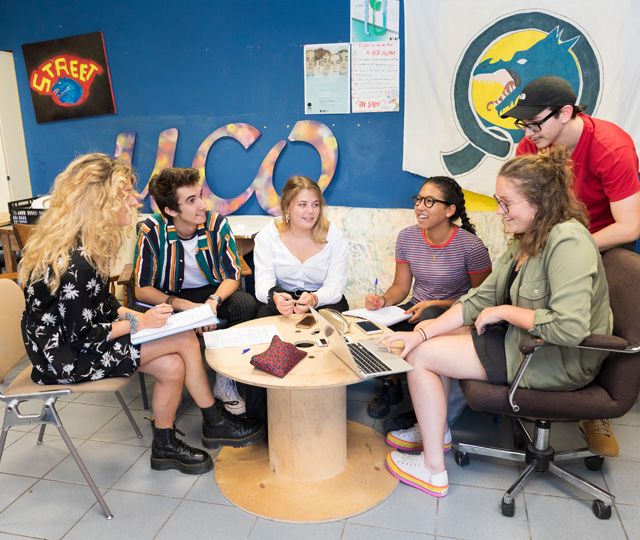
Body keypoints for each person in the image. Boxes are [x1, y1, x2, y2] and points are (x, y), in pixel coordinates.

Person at [380, 147, 612, 498]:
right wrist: (421, 332)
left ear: (540, 200)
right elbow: (481, 297)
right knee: (423, 345)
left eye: (506, 203)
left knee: (421, 358)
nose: (500, 213)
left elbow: (569, 328)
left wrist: (506, 313)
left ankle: (432, 469)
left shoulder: (569, 240)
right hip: (523, 342)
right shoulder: (528, 237)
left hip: (553, 358)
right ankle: (435, 432)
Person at [19, 153, 265, 477]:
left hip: (74, 344)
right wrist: (139, 321)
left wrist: (129, 313)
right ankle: (213, 420)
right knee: (183, 338)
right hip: (63, 359)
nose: (135, 201)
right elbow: (81, 336)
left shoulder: (83, 246)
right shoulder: (75, 261)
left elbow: (101, 302)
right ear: (101, 203)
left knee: (173, 363)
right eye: (125, 196)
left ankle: (166, 445)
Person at [501, 75, 640, 457]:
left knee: (589, 320)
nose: (527, 133)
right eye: (523, 124)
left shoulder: (611, 147)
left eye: (534, 123)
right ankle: (531, 377)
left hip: (600, 240)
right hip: (551, 237)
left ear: (565, 113)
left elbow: (629, 225)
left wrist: (567, 251)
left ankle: (594, 409)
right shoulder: (533, 142)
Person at [364, 176, 492, 422]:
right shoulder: (407, 237)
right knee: (371, 329)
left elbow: (481, 300)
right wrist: (382, 301)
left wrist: (437, 304)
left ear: (449, 210)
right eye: (419, 199)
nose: (420, 206)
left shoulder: (471, 247)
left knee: (430, 320)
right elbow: (400, 288)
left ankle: (422, 412)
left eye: (430, 201)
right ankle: (391, 386)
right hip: (416, 308)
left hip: (453, 314)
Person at [133, 167, 257, 416]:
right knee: (154, 318)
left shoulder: (216, 224)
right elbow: (141, 289)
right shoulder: (151, 231)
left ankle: (225, 381)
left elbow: (232, 275)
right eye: (191, 200)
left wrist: (212, 303)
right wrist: (184, 307)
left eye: (200, 195)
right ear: (170, 210)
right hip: (169, 297)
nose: (202, 204)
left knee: (247, 306)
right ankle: (172, 383)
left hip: (210, 292)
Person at [253, 175, 349, 317]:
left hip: (323, 300)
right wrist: (276, 298)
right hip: (283, 300)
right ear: (287, 207)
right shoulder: (268, 235)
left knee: (332, 321)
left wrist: (315, 299)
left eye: (315, 204)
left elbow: (335, 286)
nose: (311, 211)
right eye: (303, 204)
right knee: (264, 316)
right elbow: (263, 283)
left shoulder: (334, 236)